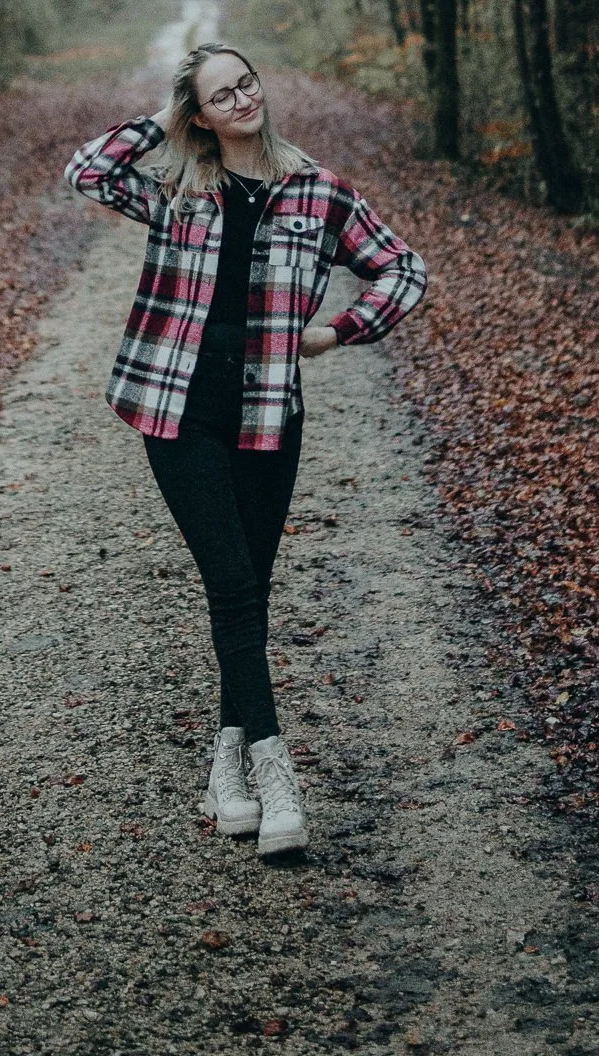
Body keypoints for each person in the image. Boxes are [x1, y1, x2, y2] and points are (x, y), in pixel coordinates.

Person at [64, 42, 427, 858]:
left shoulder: (318, 191)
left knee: (250, 590)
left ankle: (226, 764)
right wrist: (169, 117)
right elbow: (86, 171)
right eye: (220, 94)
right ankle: (274, 768)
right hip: (175, 404)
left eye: (246, 83)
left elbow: (402, 270)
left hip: (267, 410)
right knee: (230, 583)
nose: (241, 99)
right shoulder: (172, 188)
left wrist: (338, 331)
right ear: (198, 111)